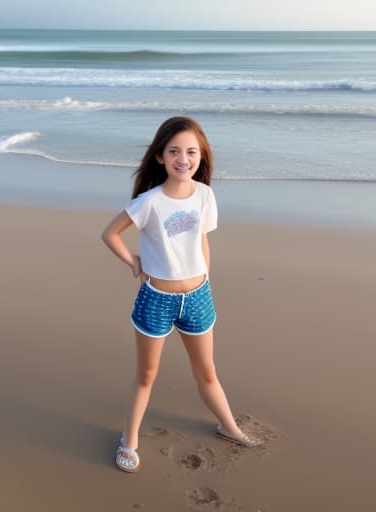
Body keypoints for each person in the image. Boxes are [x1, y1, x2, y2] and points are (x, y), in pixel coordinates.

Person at [101, 116, 260, 473]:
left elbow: (202, 236)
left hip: (199, 296)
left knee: (207, 372)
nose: (183, 159)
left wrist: (205, 273)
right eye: (174, 151)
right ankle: (130, 440)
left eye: (191, 151)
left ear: (201, 156)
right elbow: (110, 234)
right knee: (147, 376)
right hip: (157, 298)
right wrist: (134, 264)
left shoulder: (205, 195)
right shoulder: (150, 201)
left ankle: (229, 427)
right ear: (160, 156)